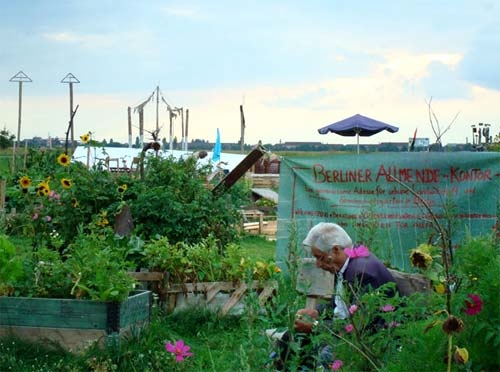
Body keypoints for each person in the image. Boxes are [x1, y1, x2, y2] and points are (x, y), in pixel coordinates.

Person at [273, 222, 398, 370]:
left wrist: (315, 326)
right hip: (348, 332)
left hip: (371, 340)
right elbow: (340, 304)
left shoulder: (362, 274)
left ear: (336, 250)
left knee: (323, 356)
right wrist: (317, 312)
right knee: (290, 337)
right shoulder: (349, 265)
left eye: (320, 257)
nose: (318, 264)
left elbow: (361, 327)